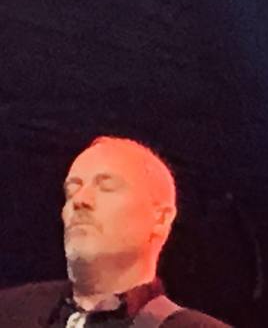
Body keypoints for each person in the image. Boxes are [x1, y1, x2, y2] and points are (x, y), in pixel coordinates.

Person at [0, 136, 230, 328]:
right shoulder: (10, 312)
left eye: (106, 187)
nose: (79, 200)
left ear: (160, 218)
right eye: (72, 190)